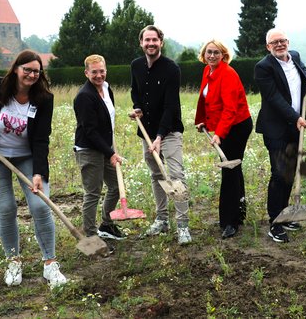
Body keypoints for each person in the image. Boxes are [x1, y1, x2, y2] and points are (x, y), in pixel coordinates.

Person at [0, 50, 67, 287]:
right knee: (7, 208)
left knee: (40, 206)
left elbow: (42, 138)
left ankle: (50, 265)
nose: (32, 75)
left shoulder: (44, 98)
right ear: (16, 69)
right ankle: (13, 262)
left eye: (36, 71)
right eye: (27, 70)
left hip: (27, 157)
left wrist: (38, 173)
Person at [130, 25, 191, 244]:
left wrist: (159, 137)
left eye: (154, 40)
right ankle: (162, 220)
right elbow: (135, 91)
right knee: (156, 176)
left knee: (176, 176)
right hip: (145, 132)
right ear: (141, 43)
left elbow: (171, 105)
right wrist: (137, 107)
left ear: (161, 42)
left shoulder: (171, 69)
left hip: (169, 132)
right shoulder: (136, 66)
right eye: (147, 40)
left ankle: (183, 225)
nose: (151, 44)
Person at [255, 28, 306, 243]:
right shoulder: (263, 67)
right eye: (274, 42)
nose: (279, 45)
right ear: (268, 47)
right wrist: (295, 117)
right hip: (275, 128)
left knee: (290, 170)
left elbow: (304, 71)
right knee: (279, 173)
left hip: (296, 127)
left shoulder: (294, 56)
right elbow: (274, 98)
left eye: (282, 41)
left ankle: (285, 214)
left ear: (288, 42)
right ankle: (274, 223)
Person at [194, 39, 253, 239]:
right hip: (224, 126)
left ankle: (230, 222)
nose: (212, 56)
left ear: (223, 55)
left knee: (229, 170)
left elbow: (230, 108)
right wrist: (203, 121)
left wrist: (219, 133)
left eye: (216, 53)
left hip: (236, 126)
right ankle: (240, 211)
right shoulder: (208, 71)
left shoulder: (227, 74)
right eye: (209, 52)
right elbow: (206, 100)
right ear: (204, 54)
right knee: (234, 168)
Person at [73, 54, 124, 242]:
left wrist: (109, 147)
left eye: (102, 71)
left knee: (116, 186)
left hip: (104, 146)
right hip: (89, 149)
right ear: (86, 73)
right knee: (93, 192)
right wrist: (110, 153)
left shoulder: (107, 88)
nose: (99, 75)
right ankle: (91, 236)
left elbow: (107, 118)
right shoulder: (84, 97)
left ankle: (106, 224)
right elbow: (90, 131)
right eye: (94, 72)